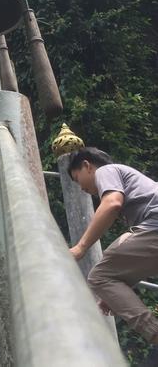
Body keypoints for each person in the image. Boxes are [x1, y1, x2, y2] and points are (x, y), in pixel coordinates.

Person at [68, 147, 158, 344]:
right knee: (108, 274)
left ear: (87, 166)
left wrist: (80, 247)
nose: (81, 188)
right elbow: (133, 264)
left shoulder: (105, 171)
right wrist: (111, 295)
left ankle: (154, 333)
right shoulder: (126, 179)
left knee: (99, 276)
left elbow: (111, 204)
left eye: (77, 179)